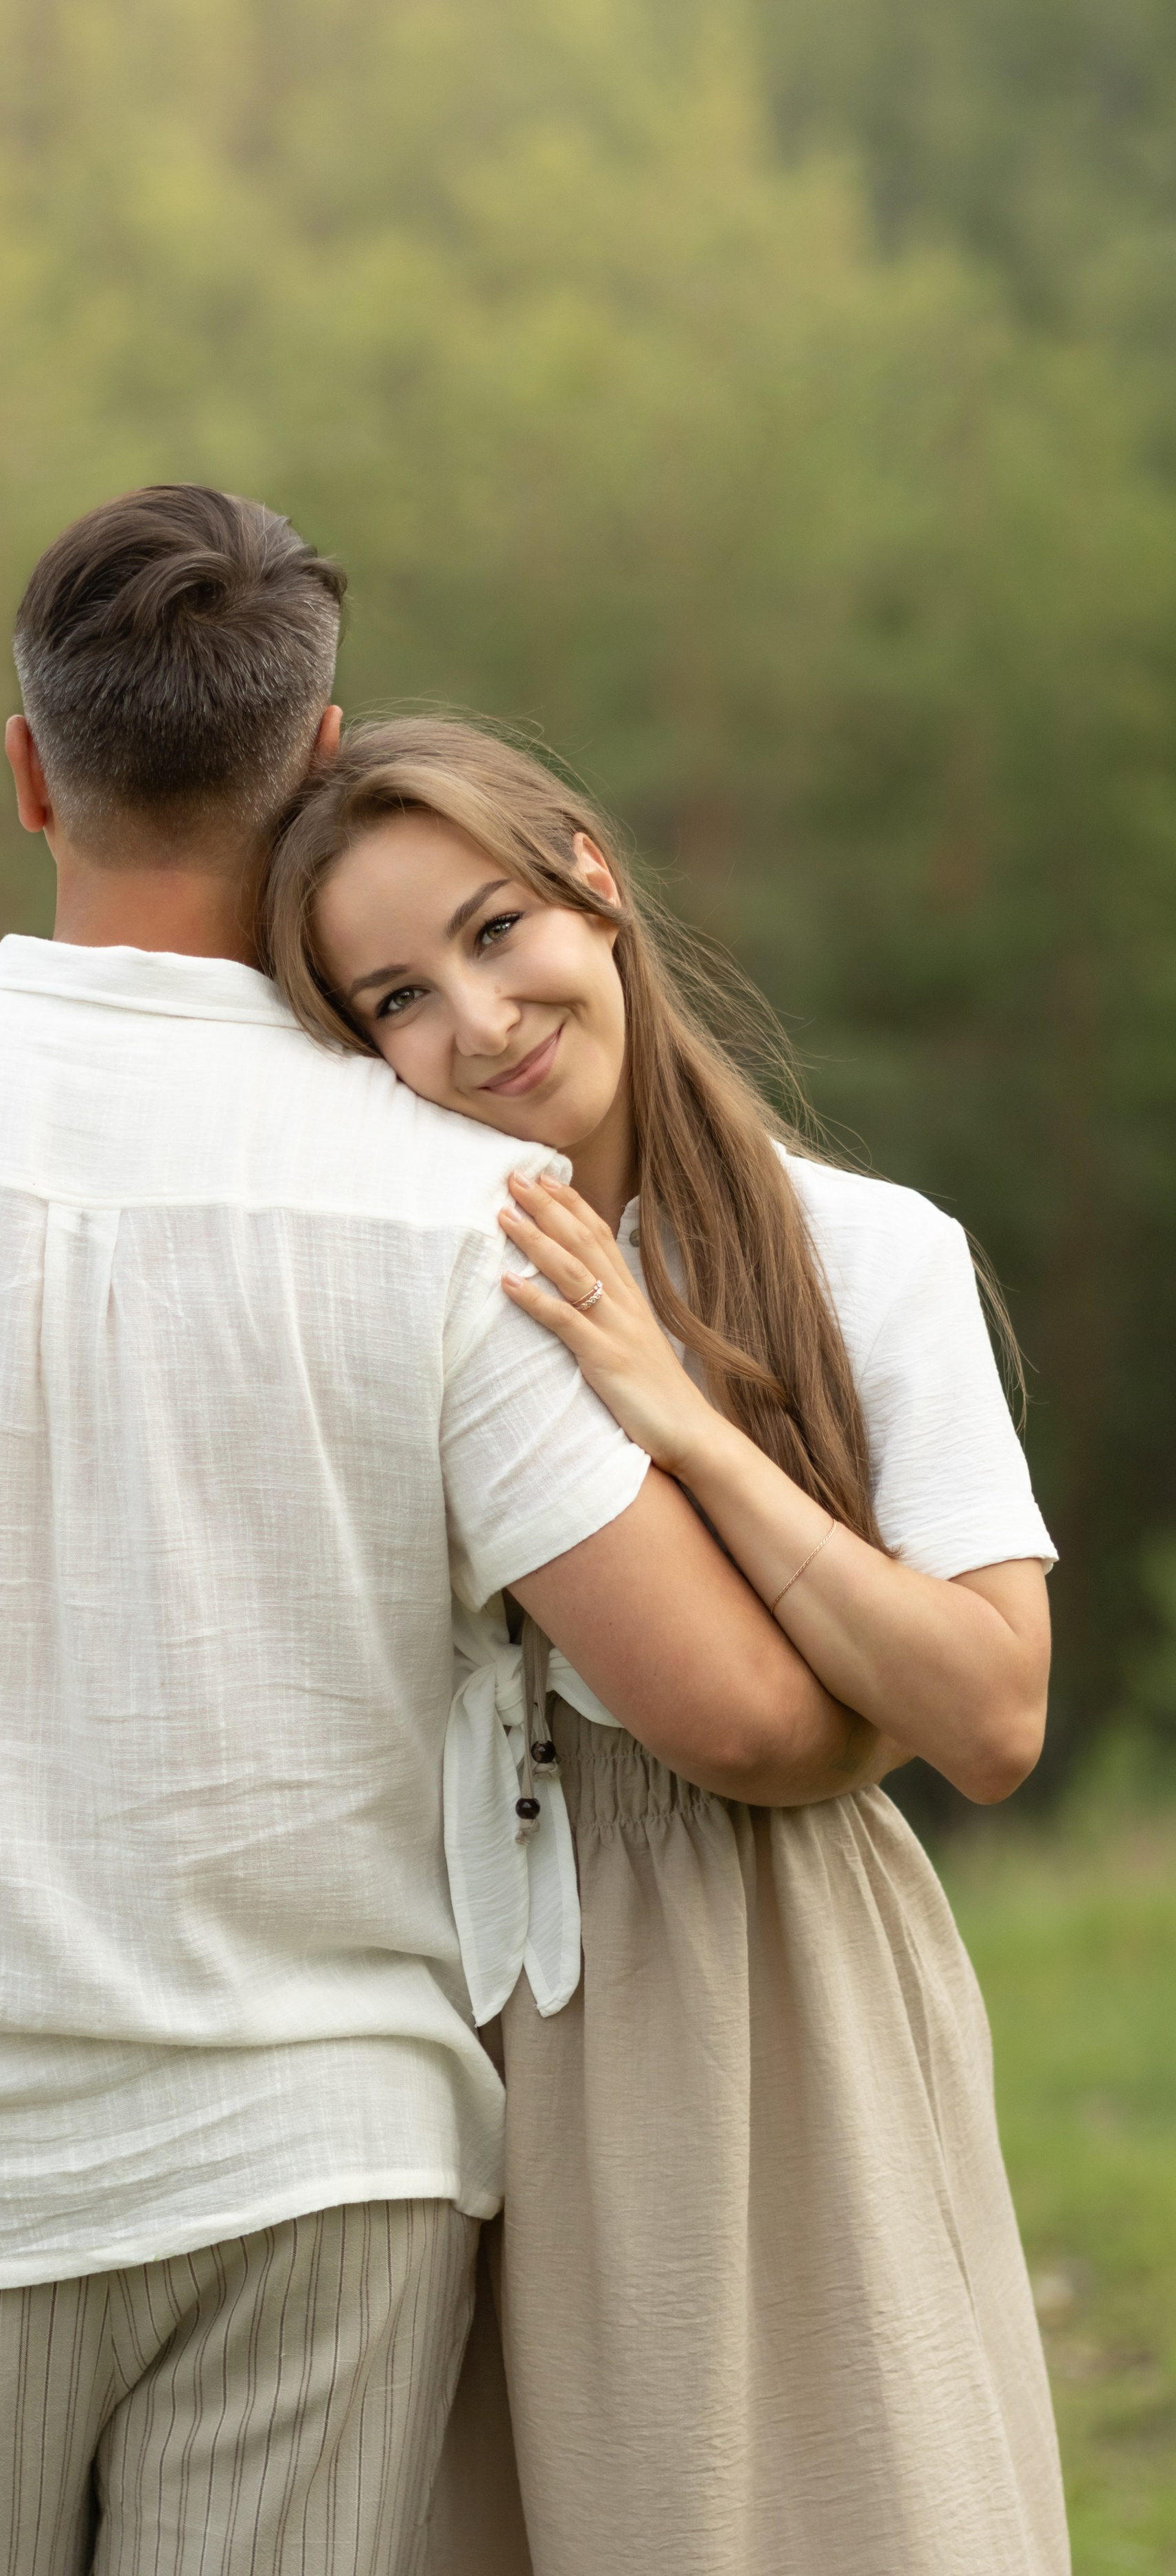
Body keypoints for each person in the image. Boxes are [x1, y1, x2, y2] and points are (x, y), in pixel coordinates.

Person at [0, 490, 886, 2576]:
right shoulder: (453, 1199)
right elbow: (726, 1715)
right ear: (316, 758)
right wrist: (914, 1697)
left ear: (29, 770)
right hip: (323, 2165)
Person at [264, 715, 1068, 2576]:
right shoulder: (392, 1289)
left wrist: (685, 1422)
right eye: (397, 998)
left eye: (496, 930)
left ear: (594, 885)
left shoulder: (867, 1254)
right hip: (440, 1996)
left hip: (769, 1976)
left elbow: (994, 1714)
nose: (481, 1020)